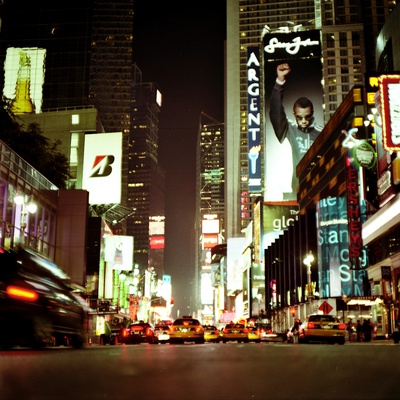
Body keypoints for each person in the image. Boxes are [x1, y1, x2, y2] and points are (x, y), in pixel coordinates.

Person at [269, 63, 322, 199]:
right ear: (294, 115)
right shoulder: (290, 129)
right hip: (297, 190)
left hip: (319, 186)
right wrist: (279, 82)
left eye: (307, 117)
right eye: (300, 117)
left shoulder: (321, 133)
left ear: (312, 114)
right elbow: (276, 113)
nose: (304, 120)